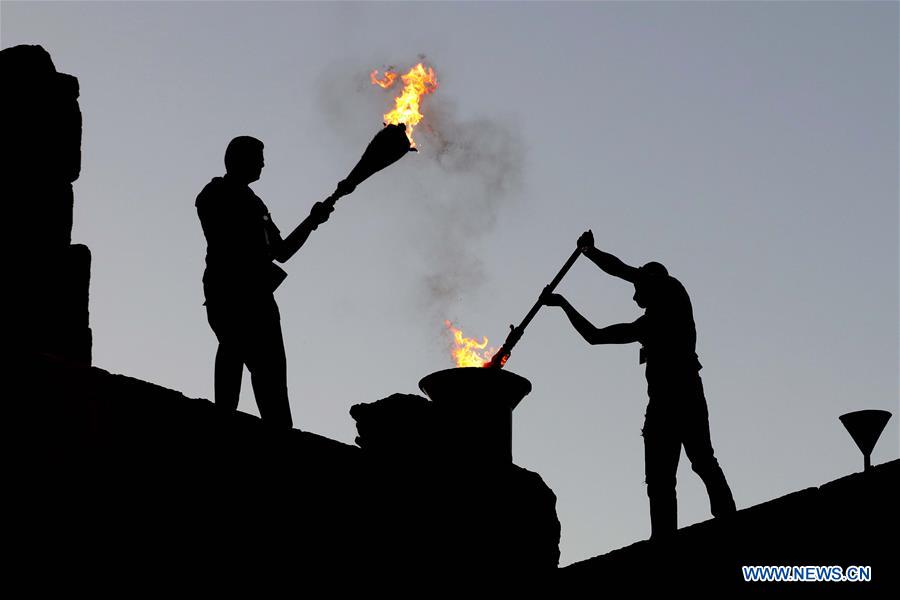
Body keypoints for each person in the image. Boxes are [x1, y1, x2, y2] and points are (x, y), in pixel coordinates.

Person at [540, 230, 736, 539]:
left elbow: (620, 270)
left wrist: (590, 251)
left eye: (638, 287)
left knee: (701, 461)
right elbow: (596, 336)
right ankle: (663, 538)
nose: (633, 296)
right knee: (660, 481)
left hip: (684, 394)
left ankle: (728, 520)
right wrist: (564, 304)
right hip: (660, 405)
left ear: (650, 279)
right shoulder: (646, 325)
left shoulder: (672, 291)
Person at [196, 135, 339, 428]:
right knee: (233, 347)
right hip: (230, 290)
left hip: (259, 295)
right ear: (239, 159)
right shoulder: (214, 193)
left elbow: (281, 252)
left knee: (272, 371)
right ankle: (223, 418)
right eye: (258, 157)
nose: (263, 163)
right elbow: (225, 240)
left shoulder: (256, 203)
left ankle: (279, 430)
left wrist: (312, 222)